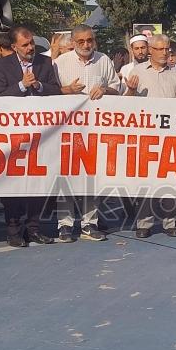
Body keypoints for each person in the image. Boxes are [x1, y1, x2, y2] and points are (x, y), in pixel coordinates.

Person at [0, 25, 60, 247]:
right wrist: (22, 85)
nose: (31, 47)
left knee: (38, 185)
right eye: (25, 44)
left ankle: (34, 228)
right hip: (14, 136)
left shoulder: (45, 62)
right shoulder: (2, 65)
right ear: (14, 47)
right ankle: (14, 230)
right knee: (14, 186)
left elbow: (57, 91)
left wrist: (39, 85)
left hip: (42, 135)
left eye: (32, 43)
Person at [53, 24, 120, 243]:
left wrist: (105, 90)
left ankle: (89, 223)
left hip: (95, 131)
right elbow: (49, 92)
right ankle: (65, 225)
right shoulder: (60, 63)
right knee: (66, 178)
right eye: (80, 41)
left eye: (89, 40)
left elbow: (116, 87)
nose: (86, 45)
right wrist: (65, 91)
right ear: (72, 42)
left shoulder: (104, 60)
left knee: (91, 177)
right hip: (66, 131)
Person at [124, 33, 176, 237]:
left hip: (170, 135)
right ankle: (144, 223)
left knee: (170, 182)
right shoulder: (137, 72)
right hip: (146, 135)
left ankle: (170, 223)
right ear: (150, 50)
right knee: (146, 182)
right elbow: (126, 107)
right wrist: (131, 91)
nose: (165, 52)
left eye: (167, 49)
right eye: (160, 49)